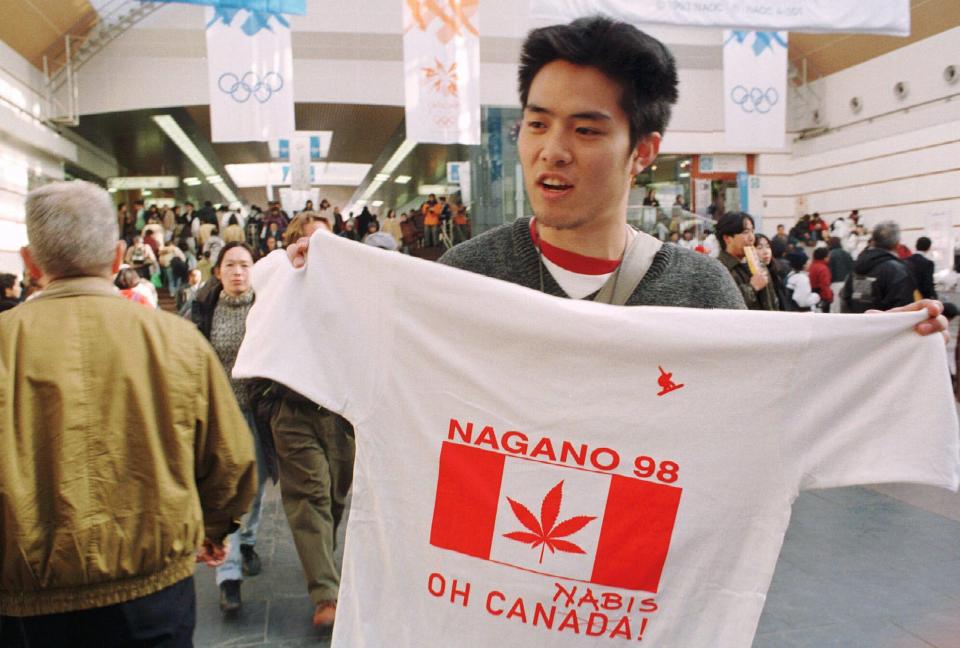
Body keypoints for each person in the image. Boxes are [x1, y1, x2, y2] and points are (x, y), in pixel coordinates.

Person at [0, 180, 256, 646]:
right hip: (152, 591)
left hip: (24, 602)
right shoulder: (176, 341)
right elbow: (231, 458)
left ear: (29, 262)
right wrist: (214, 529)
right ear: (119, 257)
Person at [266, 215, 357, 628]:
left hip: (340, 412)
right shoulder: (281, 283)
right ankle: (326, 595)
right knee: (311, 497)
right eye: (311, 241)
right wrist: (289, 264)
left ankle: (324, 573)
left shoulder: (349, 286)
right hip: (294, 411)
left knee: (336, 498)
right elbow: (261, 290)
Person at [191, 242, 270, 614]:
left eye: (244, 265)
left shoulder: (269, 305)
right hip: (223, 414)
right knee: (226, 491)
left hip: (262, 411)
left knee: (256, 487)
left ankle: (249, 539)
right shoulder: (206, 308)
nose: (238, 272)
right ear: (218, 271)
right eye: (230, 265)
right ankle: (230, 576)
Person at [841, 221, 918, 313]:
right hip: (885, 325)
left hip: (858, 322)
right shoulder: (897, 270)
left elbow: (845, 297)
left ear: (873, 241)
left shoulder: (858, 265)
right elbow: (903, 306)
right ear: (897, 244)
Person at [716, 212, 779, 310]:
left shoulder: (759, 264)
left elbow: (773, 302)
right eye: (745, 232)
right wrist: (752, 288)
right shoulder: (719, 269)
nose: (751, 238)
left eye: (752, 231)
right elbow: (724, 306)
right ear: (727, 238)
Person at [754, 234, 787, 311]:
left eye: (768, 247)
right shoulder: (754, 276)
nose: (766, 252)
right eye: (759, 248)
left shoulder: (776, 271)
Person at [827, 236, 854, 313]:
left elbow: (830, 270)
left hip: (835, 283)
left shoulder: (830, 254)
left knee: (835, 307)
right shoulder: (847, 254)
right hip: (847, 283)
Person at [808, 246, 833, 310]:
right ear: (825, 257)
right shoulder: (823, 268)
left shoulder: (811, 266)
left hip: (811, 295)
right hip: (821, 296)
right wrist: (828, 298)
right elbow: (825, 284)